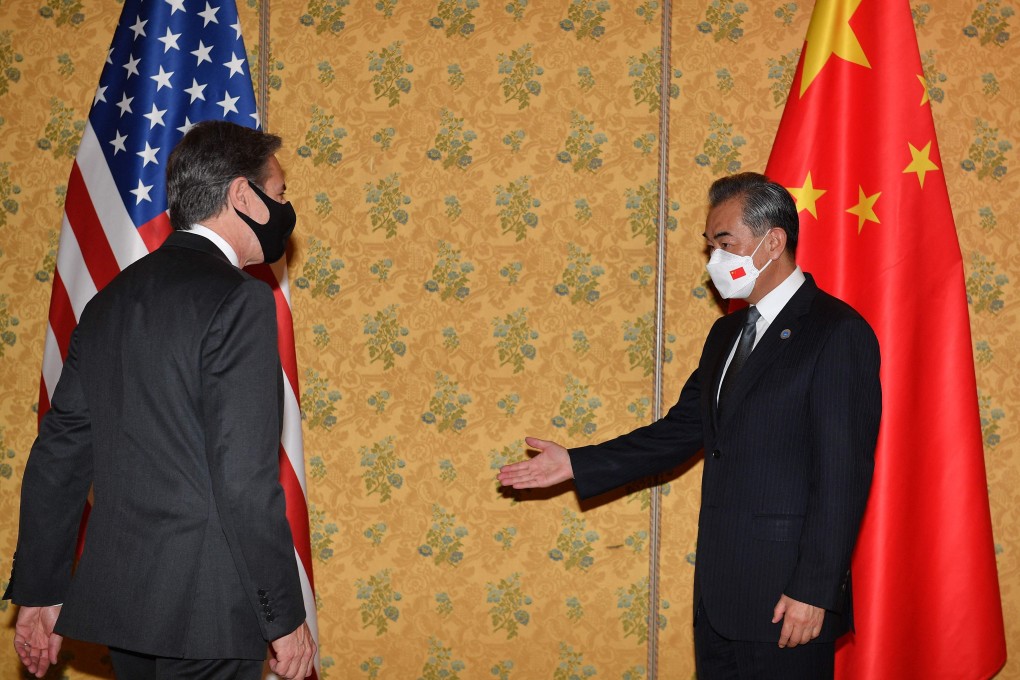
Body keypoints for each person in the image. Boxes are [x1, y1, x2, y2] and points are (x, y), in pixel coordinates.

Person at [499, 172, 881, 679]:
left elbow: (843, 477)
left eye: (725, 245)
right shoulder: (726, 334)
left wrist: (813, 590)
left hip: (789, 602)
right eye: (710, 246)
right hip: (720, 601)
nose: (714, 261)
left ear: (773, 241)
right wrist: (576, 463)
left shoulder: (836, 332)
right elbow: (681, 431)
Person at [5, 120, 315, 680]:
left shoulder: (108, 302)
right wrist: (284, 618)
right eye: (281, 193)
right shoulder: (240, 300)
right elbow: (244, 482)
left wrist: (41, 591)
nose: (286, 209)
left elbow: (59, 454)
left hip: (128, 607)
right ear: (243, 195)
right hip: (209, 613)